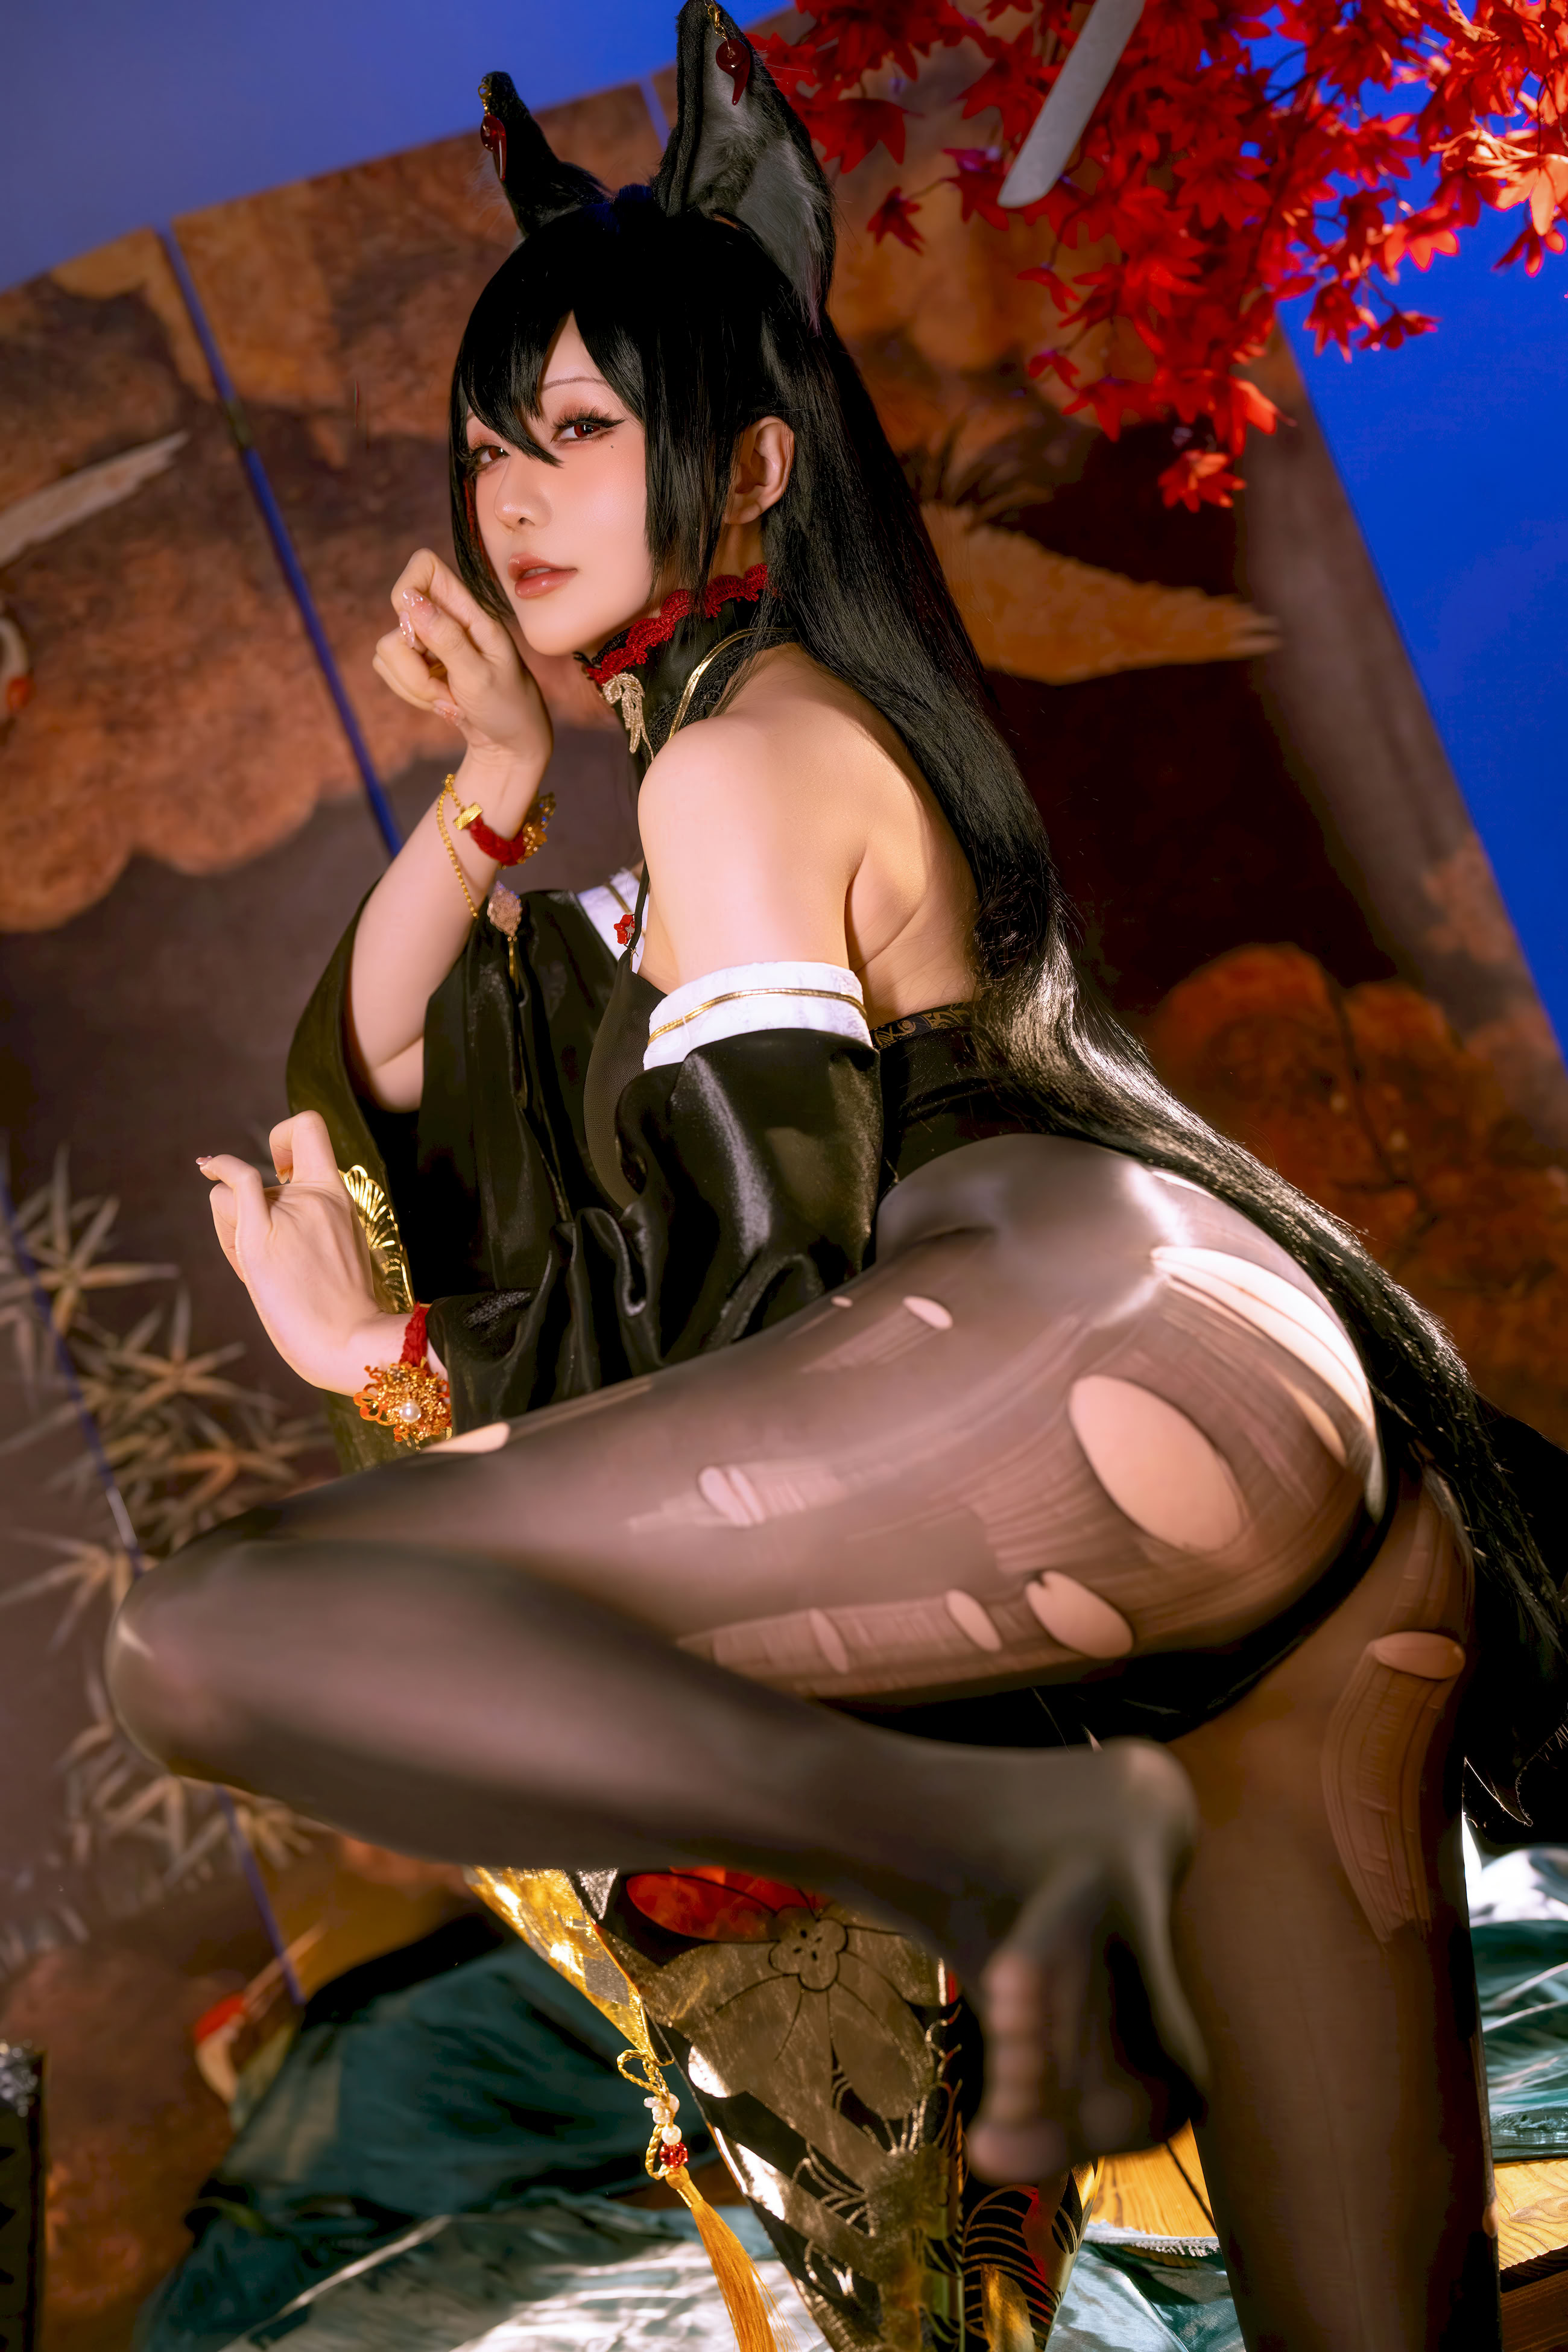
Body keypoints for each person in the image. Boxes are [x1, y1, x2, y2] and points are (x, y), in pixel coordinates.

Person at [108, 8, 1568, 2345]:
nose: (509, 492)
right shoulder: (797, 747)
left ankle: (1013, 1857)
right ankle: (1029, 1849)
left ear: (756, 461)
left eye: (578, 429)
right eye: (487, 445)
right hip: (1271, 1459)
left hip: (1057, 1374)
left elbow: (764, 1276)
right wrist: (492, 781)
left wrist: (414, 1380)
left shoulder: (728, 773)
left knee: (226, 1631)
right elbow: (402, 1060)